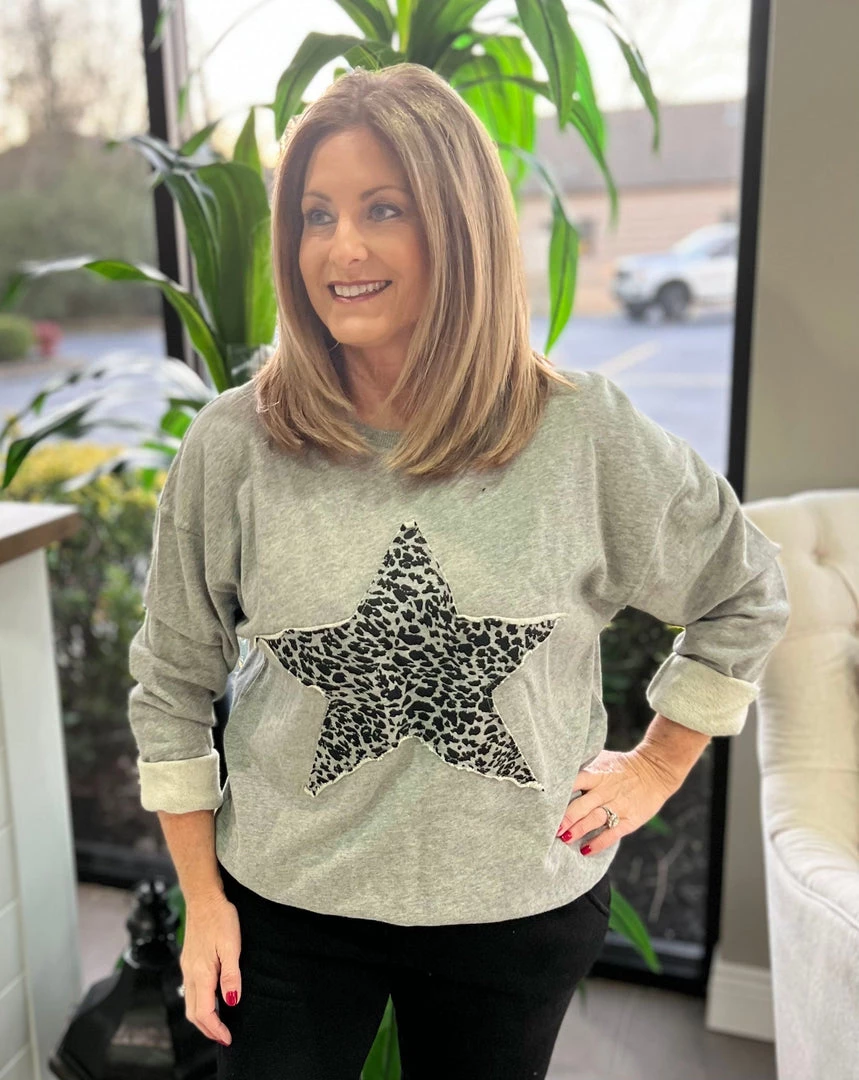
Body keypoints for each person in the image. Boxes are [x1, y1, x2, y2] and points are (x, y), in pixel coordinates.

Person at [127, 62, 790, 1080]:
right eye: (315, 215)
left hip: (513, 908)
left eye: (383, 208)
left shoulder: (582, 434)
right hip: (285, 908)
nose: (341, 247)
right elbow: (172, 681)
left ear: (460, 225)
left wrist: (658, 764)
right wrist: (202, 900)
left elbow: (743, 589)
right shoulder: (234, 445)